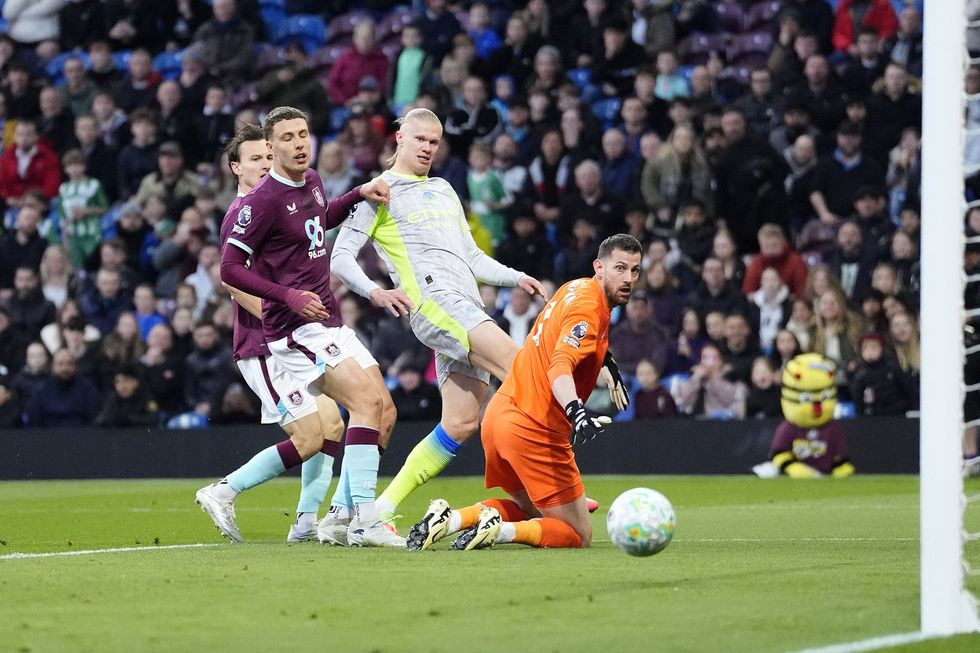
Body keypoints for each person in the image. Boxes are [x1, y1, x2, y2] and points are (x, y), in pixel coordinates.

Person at [331, 107, 550, 533]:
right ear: (399, 137)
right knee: (522, 368)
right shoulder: (379, 190)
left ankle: (378, 511)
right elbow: (340, 257)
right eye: (421, 140)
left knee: (462, 422)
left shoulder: (445, 188)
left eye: (435, 141)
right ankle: (552, 491)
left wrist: (515, 276)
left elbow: (470, 257)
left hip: (467, 306)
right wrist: (375, 291)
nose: (429, 148)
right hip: (434, 303)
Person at [212, 107, 401, 548]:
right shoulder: (258, 203)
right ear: (271, 147)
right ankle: (363, 521)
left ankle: (337, 516)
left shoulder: (312, 181)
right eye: (288, 138)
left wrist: (358, 193)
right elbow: (230, 270)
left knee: (383, 410)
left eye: (304, 133)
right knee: (353, 412)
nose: (299, 143)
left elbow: (320, 218)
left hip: (329, 320)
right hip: (293, 329)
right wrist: (288, 296)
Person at [406, 234, 641, 551]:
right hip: (534, 429)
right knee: (577, 535)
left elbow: (560, 340)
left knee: (534, 509)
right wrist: (576, 410)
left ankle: (452, 520)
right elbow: (559, 366)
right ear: (600, 267)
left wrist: (604, 360)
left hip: (499, 418)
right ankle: (500, 531)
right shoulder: (589, 309)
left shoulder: (574, 288)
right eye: (620, 268)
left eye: (635, 270)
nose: (628, 279)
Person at [25, 349, 102, 428]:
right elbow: (34, 422)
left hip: (81, 436)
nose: (65, 368)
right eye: (60, 364)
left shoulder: (87, 389)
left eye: (69, 364)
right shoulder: (40, 390)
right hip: (48, 437)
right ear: (53, 367)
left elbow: (94, 419)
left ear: (75, 366)